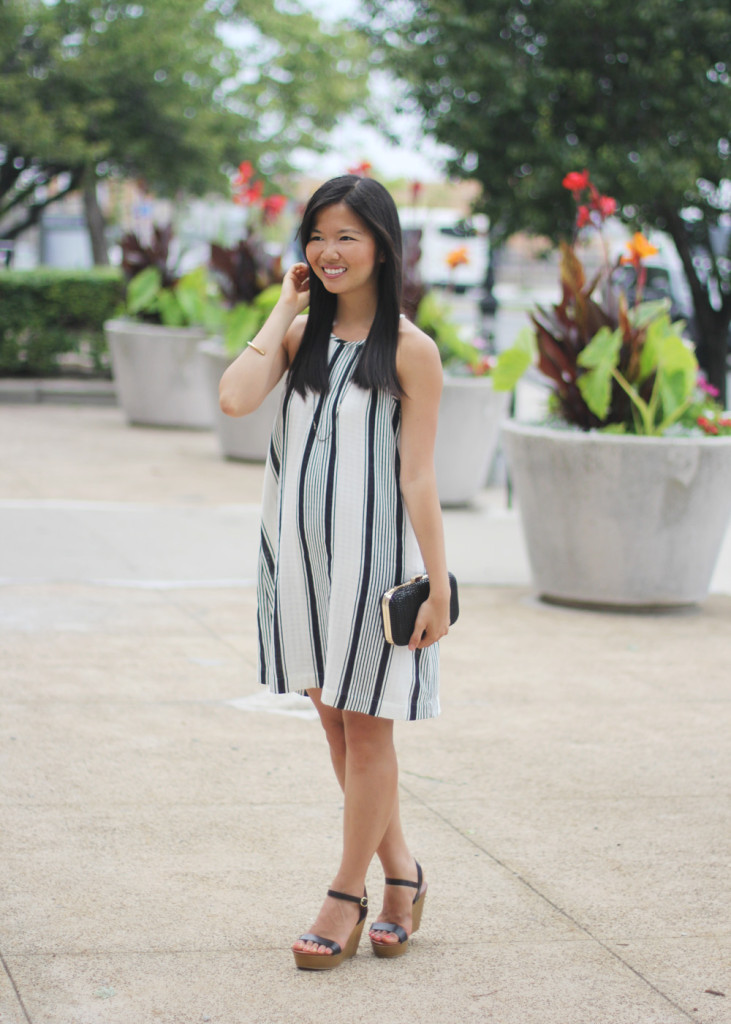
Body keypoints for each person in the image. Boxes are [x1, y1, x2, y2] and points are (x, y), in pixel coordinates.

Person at [219, 174, 451, 970]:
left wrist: (441, 584)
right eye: (317, 235)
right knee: (331, 718)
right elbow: (233, 398)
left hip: (375, 564)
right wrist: (283, 307)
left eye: (347, 235)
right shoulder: (301, 337)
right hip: (303, 561)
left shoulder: (412, 352)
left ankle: (345, 895)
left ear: (382, 246)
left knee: (366, 724)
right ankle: (403, 875)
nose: (328, 251)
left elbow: (418, 476)